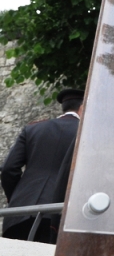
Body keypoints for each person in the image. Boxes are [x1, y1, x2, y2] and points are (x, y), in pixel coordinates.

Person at [1, 88, 83, 242]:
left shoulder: (32, 129)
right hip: (58, 217)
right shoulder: (85, 133)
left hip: (19, 214)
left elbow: (9, 169)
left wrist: (18, 198)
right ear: (82, 107)